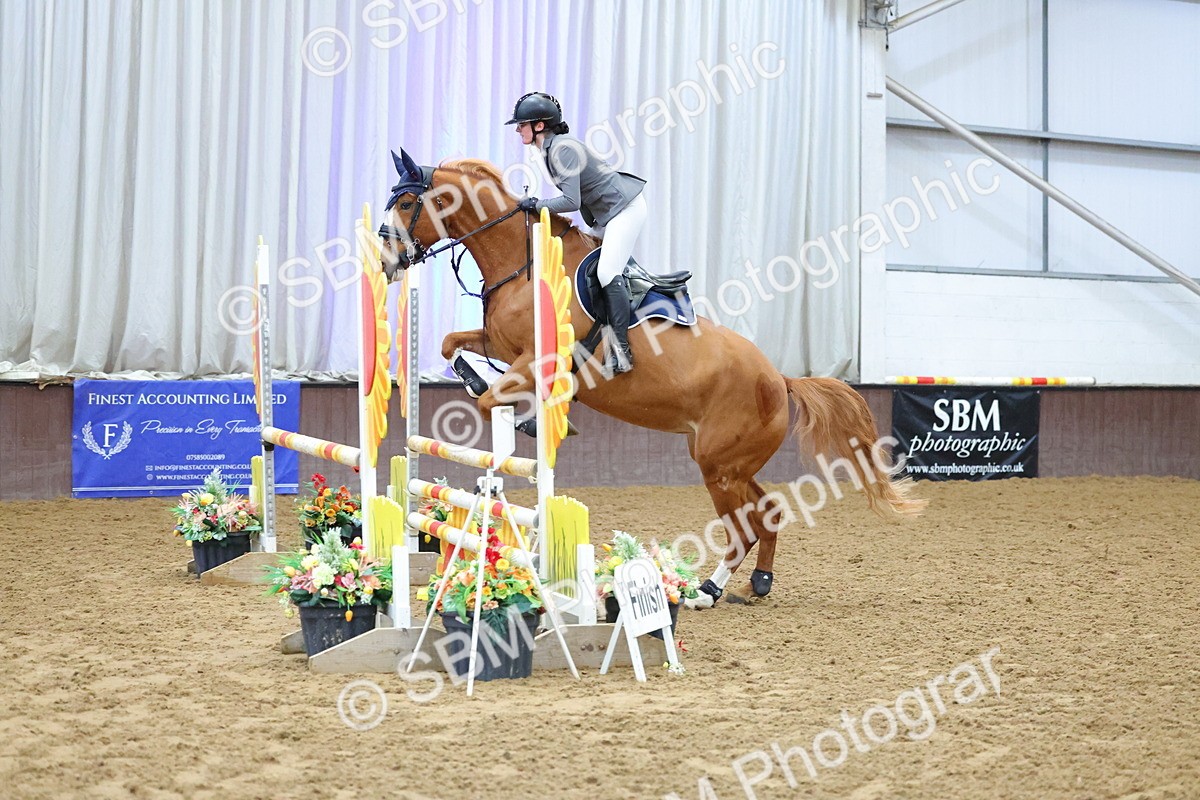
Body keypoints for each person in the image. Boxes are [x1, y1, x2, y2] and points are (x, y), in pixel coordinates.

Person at [506, 91, 647, 373]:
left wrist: (535, 204)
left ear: (540, 125)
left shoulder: (562, 149)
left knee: (608, 272)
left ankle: (621, 350)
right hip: (605, 214)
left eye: (522, 124)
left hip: (624, 209)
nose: (518, 129)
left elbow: (572, 202)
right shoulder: (547, 150)